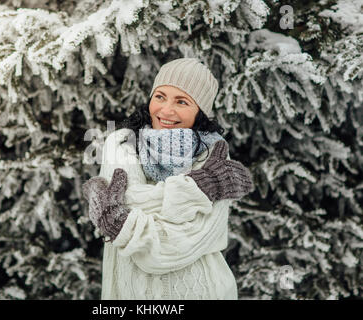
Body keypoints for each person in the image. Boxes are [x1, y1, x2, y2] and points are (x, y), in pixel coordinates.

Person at [82, 58, 254, 299]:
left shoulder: (213, 157)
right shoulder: (122, 143)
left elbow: (172, 249)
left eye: (182, 101)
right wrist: (201, 187)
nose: (166, 110)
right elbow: (130, 202)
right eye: (160, 96)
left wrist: (123, 221)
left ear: (200, 112)